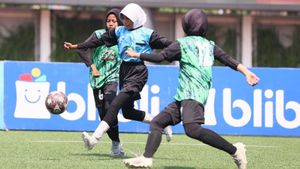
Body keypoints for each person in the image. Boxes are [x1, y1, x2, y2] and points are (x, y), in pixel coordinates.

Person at [122, 9, 259, 169]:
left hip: (191, 96)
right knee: (157, 123)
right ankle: (146, 159)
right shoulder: (210, 45)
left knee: (192, 129)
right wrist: (246, 72)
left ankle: (235, 150)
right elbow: (228, 60)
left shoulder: (182, 44)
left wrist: (137, 55)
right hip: (188, 95)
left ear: (185, 25)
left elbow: (159, 58)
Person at [63, 3, 173, 152]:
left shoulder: (148, 34)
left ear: (137, 19)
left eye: (128, 19)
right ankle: (161, 123)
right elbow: (97, 41)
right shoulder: (119, 31)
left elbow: (167, 44)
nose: (125, 21)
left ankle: (94, 139)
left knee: (114, 104)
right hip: (124, 72)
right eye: (124, 18)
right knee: (128, 112)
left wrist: (183, 48)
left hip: (138, 72)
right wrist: (76, 46)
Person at [67, 8, 124, 157]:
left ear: (119, 22)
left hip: (112, 78)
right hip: (97, 79)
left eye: (114, 21)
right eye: (108, 21)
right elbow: (82, 49)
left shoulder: (123, 37)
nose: (111, 23)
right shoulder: (99, 35)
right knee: (103, 114)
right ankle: (116, 142)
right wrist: (92, 66)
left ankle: (115, 145)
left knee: (109, 106)